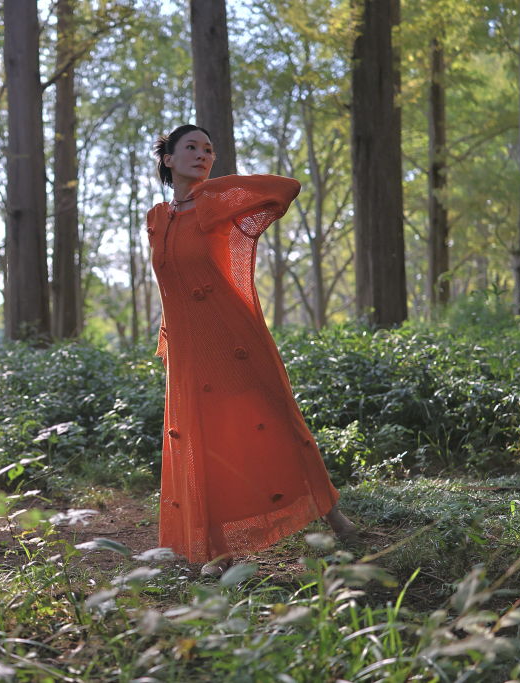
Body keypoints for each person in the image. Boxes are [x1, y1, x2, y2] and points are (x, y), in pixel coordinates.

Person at [148, 124, 357, 575]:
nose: (203, 155)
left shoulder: (216, 205)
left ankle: (332, 515)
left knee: (277, 419)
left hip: (234, 337)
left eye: (209, 149)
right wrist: (168, 336)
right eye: (191, 147)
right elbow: (169, 285)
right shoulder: (156, 218)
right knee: (206, 440)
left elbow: (284, 189)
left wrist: (210, 189)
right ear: (167, 159)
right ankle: (219, 550)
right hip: (189, 350)